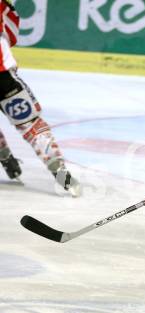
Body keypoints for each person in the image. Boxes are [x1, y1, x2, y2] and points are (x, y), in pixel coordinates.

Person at [0, 0, 80, 196]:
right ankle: (61, 174)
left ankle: (5, 158)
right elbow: (11, 34)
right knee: (30, 124)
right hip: (2, 76)